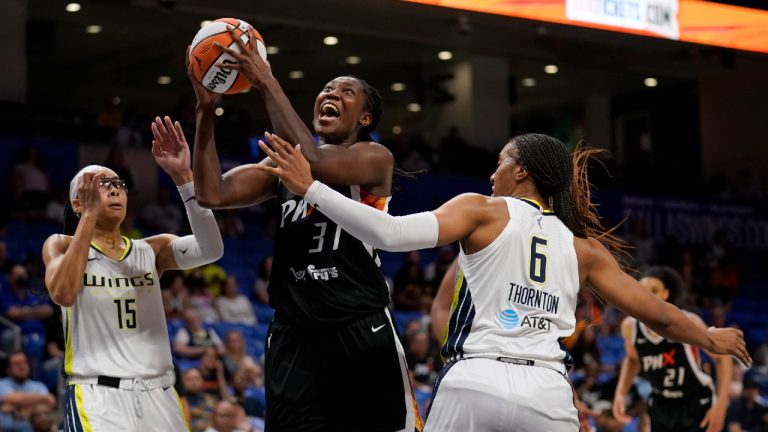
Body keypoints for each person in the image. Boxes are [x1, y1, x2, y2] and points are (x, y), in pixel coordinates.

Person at [255, 131, 751, 431]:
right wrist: (710, 337)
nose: (492, 175)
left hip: (476, 380)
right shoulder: (584, 249)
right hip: (548, 393)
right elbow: (659, 315)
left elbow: (388, 232)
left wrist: (311, 188)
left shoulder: (483, 209)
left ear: (518, 172)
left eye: (499, 165)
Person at [157, 25, 421, 431]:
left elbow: (314, 163)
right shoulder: (283, 164)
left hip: (357, 322)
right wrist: (206, 110)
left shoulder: (373, 157)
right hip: (294, 332)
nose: (331, 94)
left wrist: (265, 80)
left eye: (345, 92)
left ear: (365, 118)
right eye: (327, 89)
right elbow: (211, 192)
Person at [41, 119, 224, 431]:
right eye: (100, 184)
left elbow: (211, 250)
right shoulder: (61, 245)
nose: (113, 189)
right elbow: (64, 293)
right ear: (76, 202)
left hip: (160, 393)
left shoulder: (152, 249)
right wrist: (87, 216)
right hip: (97, 396)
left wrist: (184, 178)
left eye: (118, 185)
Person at [613, 266, 733, 432]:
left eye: (654, 291)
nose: (646, 296)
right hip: (660, 403)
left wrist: (721, 406)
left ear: (665, 294)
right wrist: (620, 392)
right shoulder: (630, 327)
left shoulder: (687, 321)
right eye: (642, 290)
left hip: (695, 401)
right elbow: (633, 359)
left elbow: (723, 357)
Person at [0, 351, 56, 432]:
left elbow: (51, 401)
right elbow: (10, 398)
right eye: (17, 363)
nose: (22, 366)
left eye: (24, 362)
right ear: (8, 369)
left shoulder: (39, 385)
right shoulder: (2, 384)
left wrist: (15, 407)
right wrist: (39, 402)